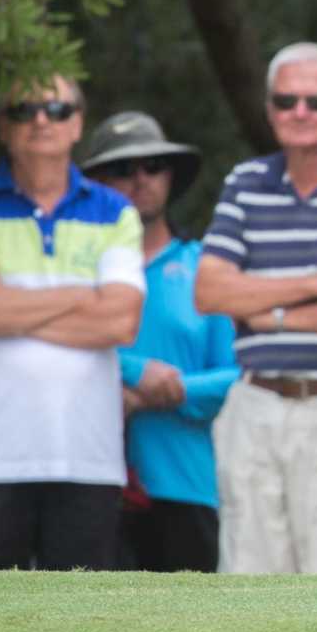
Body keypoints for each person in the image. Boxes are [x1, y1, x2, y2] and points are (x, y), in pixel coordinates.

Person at [0, 76, 144, 569]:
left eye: (56, 108)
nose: (41, 120)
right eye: (23, 111)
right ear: (3, 129)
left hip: (87, 459)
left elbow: (120, 322)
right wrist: (80, 294)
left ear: (78, 124)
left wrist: (8, 301)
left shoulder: (115, 210)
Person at [195, 42, 317, 574]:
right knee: (247, 583)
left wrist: (268, 310)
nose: (300, 113)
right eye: (286, 101)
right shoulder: (245, 182)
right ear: (270, 107)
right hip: (253, 404)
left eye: (316, 102)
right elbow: (211, 291)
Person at [80, 112, 238, 571]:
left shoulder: (204, 266)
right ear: (97, 182)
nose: (140, 179)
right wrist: (132, 372)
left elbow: (238, 376)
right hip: (86, 484)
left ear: (171, 177)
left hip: (186, 484)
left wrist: (169, 392)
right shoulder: (74, 269)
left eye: (153, 166)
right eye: (122, 169)